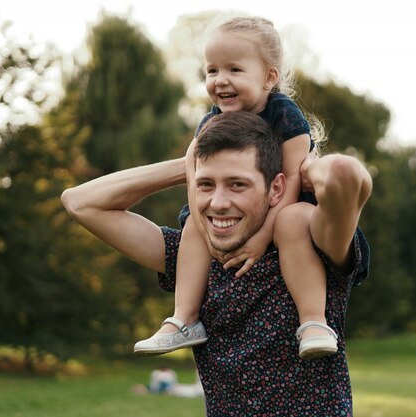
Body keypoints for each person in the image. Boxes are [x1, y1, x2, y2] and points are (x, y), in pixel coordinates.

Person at [61, 111, 372, 415]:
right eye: (206, 185)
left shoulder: (309, 245)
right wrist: (187, 165)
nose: (218, 203)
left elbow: (345, 173)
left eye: (237, 184)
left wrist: (302, 169)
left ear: (276, 188)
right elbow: (81, 202)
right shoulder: (192, 262)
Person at [133, 16, 335, 360]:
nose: (220, 81)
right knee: (193, 226)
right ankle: (184, 318)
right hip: (237, 209)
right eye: (212, 71)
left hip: (283, 209)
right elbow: (193, 169)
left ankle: (313, 322)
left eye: (234, 70)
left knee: (294, 220)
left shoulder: (285, 116)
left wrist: (260, 238)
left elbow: (289, 185)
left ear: (269, 77)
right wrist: (203, 220)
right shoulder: (211, 120)